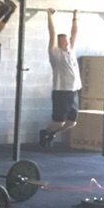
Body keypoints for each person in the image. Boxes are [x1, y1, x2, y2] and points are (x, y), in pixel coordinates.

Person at [40, 9, 81, 148]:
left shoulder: (72, 51)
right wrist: (49, 16)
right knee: (59, 122)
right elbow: (52, 34)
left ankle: (51, 133)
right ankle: (45, 132)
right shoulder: (55, 53)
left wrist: (75, 17)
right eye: (63, 41)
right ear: (58, 43)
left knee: (72, 122)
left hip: (73, 91)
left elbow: (74, 33)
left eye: (67, 40)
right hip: (61, 91)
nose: (67, 43)